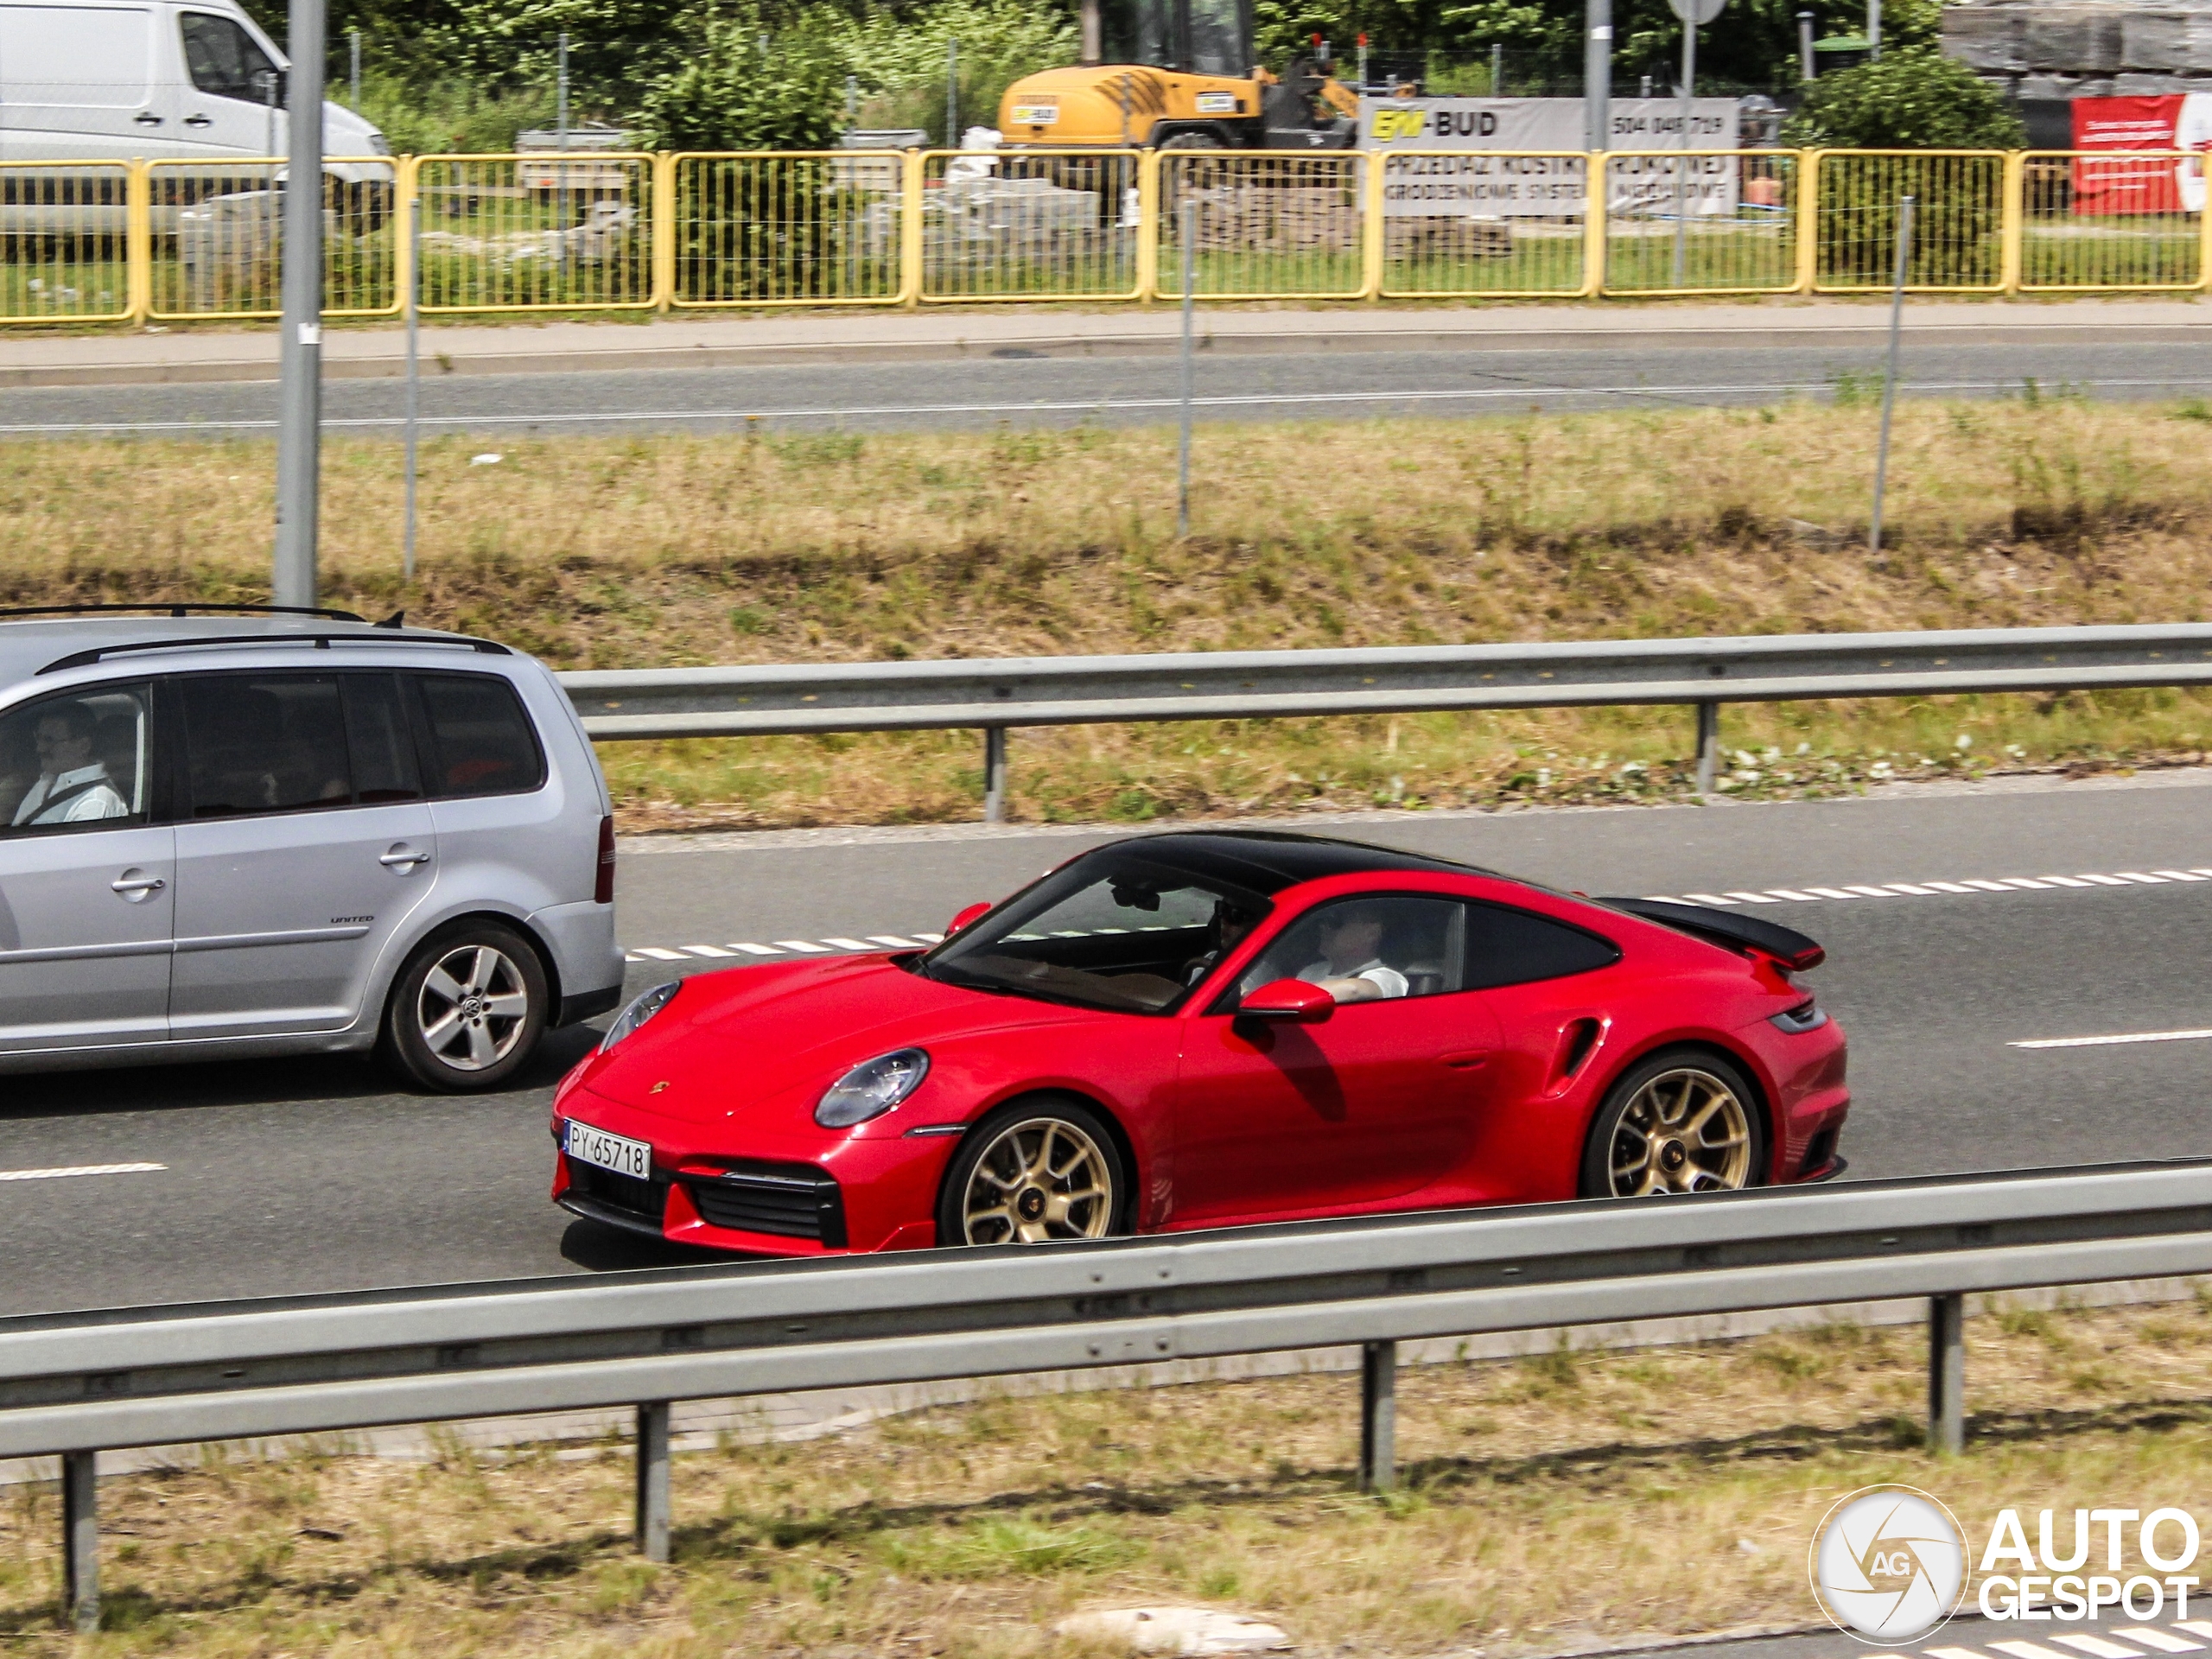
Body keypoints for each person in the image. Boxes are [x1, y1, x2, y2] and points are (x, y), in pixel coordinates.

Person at [10, 702, 128, 828]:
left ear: (84, 746)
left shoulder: (94, 803)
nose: (40, 748)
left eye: (50, 740)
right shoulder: (49, 779)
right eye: (38, 738)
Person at [1297, 903, 1408, 1003]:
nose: (1323, 926)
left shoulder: (1389, 977)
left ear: (1371, 933)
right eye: (1324, 921)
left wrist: (1295, 996)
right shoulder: (1311, 971)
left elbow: (1354, 990)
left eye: (1335, 921)